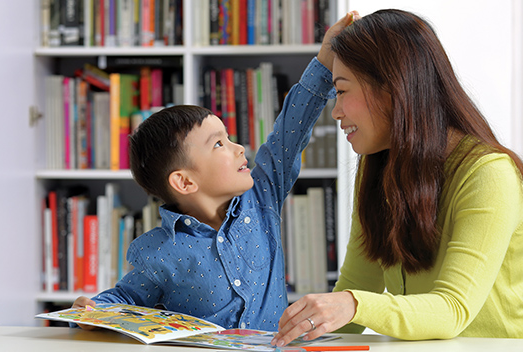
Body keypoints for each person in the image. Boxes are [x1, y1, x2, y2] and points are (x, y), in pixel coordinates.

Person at [271, 9, 523, 346]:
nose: (336, 112)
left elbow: (453, 309)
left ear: (392, 88)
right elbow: (358, 285)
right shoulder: (376, 169)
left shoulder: (488, 176)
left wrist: (351, 304)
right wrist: (298, 337)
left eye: (342, 91)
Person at [70, 35, 338, 330]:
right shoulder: (161, 250)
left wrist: (325, 60)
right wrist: (92, 312)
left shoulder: (263, 197)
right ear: (184, 182)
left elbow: (290, 129)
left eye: (229, 138)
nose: (239, 148)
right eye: (219, 144)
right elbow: (125, 298)